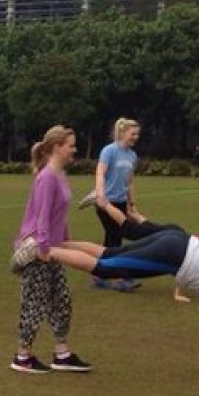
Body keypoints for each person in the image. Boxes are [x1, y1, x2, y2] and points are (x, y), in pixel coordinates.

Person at [15, 215, 199, 392]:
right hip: (175, 254)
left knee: (110, 253)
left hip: (178, 242)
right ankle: (45, 250)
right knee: (105, 269)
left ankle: (52, 242)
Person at [9, 125, 92, 375]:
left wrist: (64, 239)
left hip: (53, 249)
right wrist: (45, 248)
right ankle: (22, 356)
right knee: (34, 304)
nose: (74, 150)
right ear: (57, 147)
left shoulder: (59, 174)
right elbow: (42, 217)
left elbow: (59, 213)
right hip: (38, 250)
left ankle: (62, 354)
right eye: (71, 145)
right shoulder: (46, 177)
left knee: (61, 300)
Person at [78, 117, 142, 292]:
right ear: (122, 132)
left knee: (111, 239)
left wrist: (132, 204)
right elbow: (100, 172)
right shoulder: (109, 151)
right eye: (133, 133)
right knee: (115, 240)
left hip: (120, 203)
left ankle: (99, 275)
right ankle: (122, 278)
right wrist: (100, 195)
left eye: (137, 134)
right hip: (105, 203)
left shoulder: (132, 155)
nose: (136, 137)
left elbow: (130, 182)